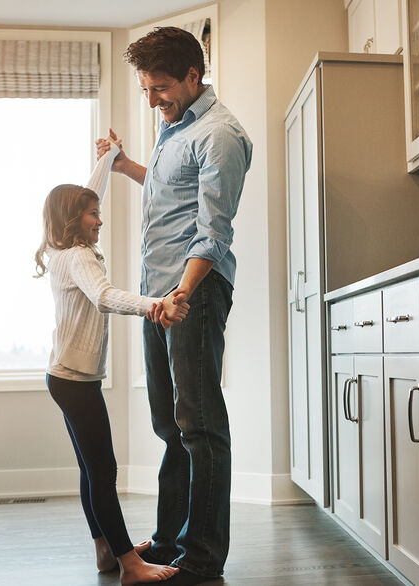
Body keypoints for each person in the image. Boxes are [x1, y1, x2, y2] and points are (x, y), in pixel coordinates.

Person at [96, 26, 252, 585]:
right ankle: (168, 542)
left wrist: (182, 294)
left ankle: (203, 560)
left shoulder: (220, 135)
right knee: (170, 422)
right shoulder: (175, 129)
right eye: (145, 90)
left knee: (200, 426)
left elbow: (212, 233)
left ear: (193, 75)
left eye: (160, 88)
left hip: (193, 294)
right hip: (157, 296)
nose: (152, 99)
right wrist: (125, 166)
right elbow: (167, 193)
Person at [34, 183, 189, 585]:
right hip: (75, 380)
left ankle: (105, 550)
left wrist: (109, 157)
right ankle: (129, 565)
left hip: (64, 376)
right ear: (72, 220)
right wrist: (155, 305)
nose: (99, 220)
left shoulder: (61, 254)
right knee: (103, 471)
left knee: (92, 469)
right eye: (92, 214)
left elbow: (84, 191)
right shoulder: (80, 257)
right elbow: (103, 296)